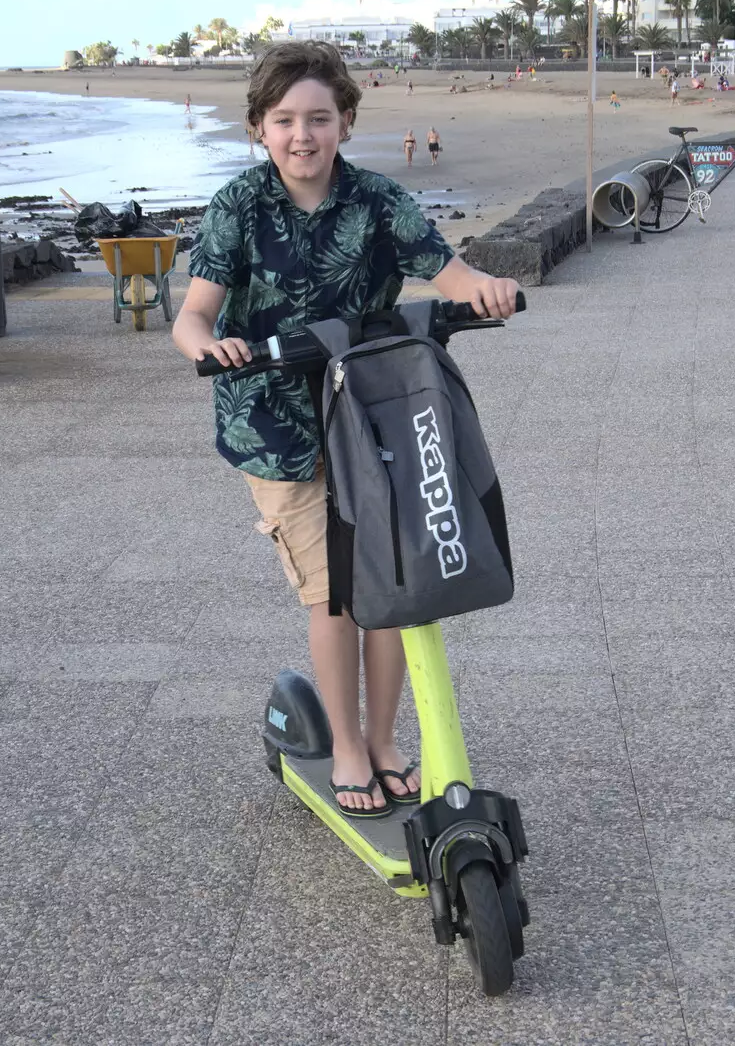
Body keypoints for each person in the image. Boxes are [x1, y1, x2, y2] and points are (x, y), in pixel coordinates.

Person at [172, 41, 520, 816]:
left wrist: (485, 287)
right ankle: (350, 745)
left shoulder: (376, 200)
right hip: (277, 425)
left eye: (319, 119)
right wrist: (209, 345)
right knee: (332, 595)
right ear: (259, 128)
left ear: (346, 123)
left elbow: (447, 268)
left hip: (372, 408)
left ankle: (387, 738)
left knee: (395, 579)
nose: (303, 135)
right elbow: (194, 314)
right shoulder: (237, 206)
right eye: (285, 120)